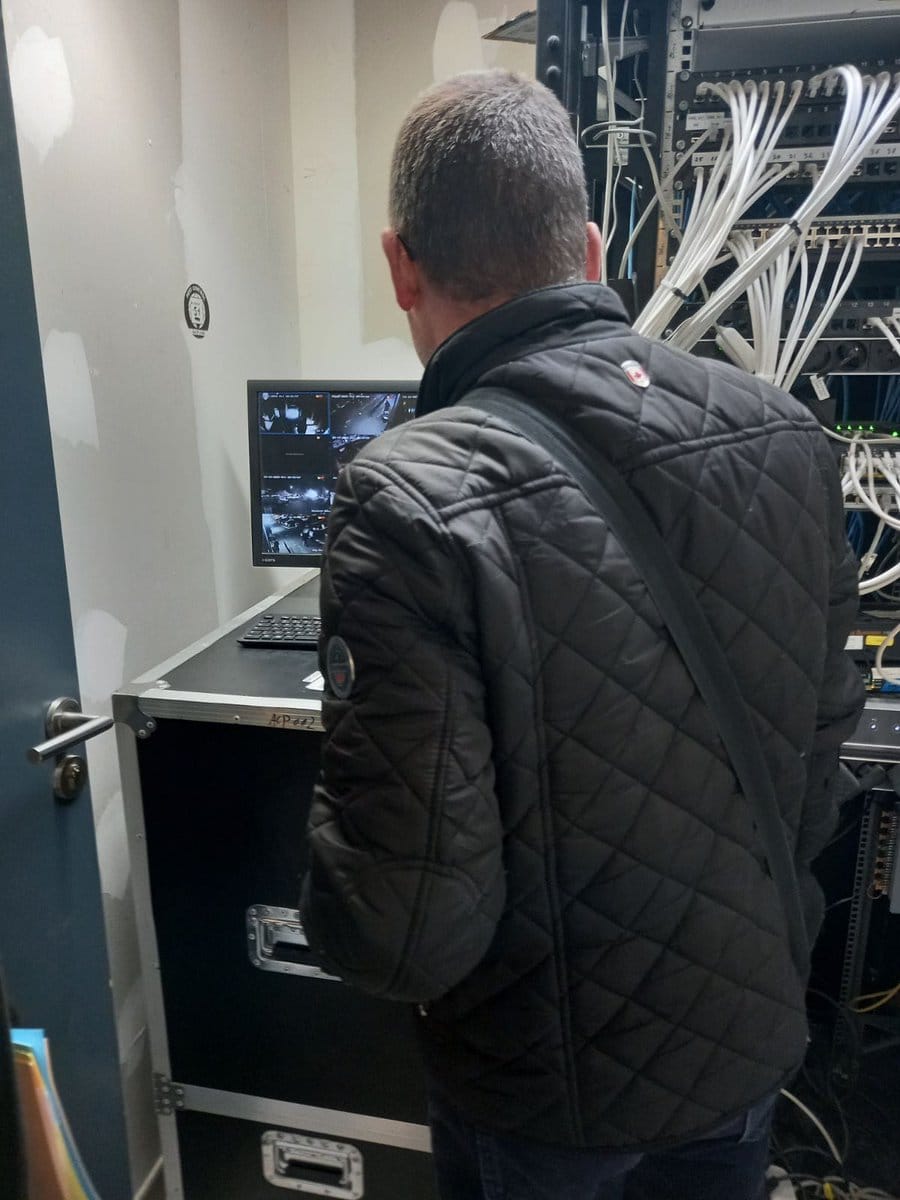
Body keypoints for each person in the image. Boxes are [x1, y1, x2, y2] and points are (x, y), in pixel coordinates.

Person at [299, 70, 864, 1200]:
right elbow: (818, 773)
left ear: (400, 266)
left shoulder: (406, 499)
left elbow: (405, 925)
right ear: (592, 249)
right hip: (740, 1045)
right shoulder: (786, 436)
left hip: (542, 1097)